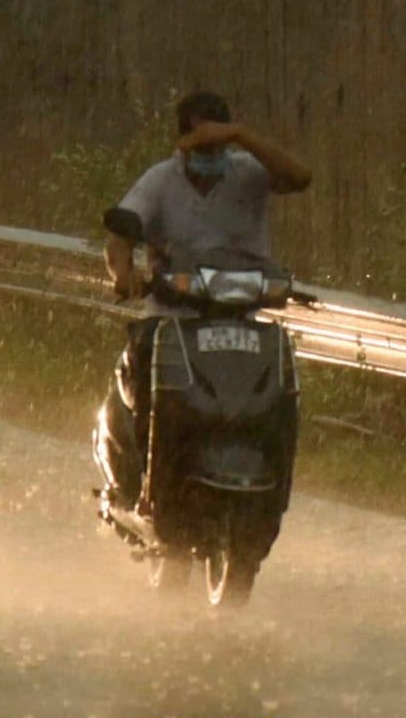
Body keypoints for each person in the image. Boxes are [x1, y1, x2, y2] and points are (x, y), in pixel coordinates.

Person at [96, 90, 312, 509]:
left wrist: (242, 136)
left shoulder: (249, 171)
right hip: (174, 316)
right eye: (203, 143)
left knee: (280, 387)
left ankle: (271, 475)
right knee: (144, 360)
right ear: (184, 141)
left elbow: (300, 178)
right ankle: (144, 477)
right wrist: (125, 276)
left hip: (241, 317)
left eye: (220, 143)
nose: (212, 153)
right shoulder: (160, 181)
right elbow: (120, 237)